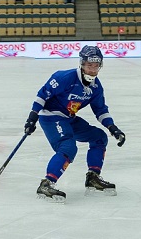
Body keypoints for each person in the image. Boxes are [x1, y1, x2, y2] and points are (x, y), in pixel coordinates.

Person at [22, 46, 126, 203]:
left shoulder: (96, 87)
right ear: (82, 64)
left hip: (69, 118)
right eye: (89, 65)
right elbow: (42, 95)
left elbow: (101, 110)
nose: (92, 69)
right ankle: (47, 183)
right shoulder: (65, 77)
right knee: (68, 147)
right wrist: (32, 117)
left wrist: (113, 128)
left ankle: (93, 177)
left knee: (99, 137)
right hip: (51, 116)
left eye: (96, 65)